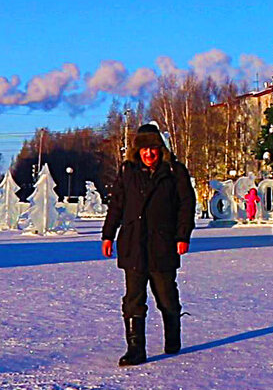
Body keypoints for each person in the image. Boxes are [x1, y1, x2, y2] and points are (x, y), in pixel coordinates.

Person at [102, 123, 197, 367]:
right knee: (133, 299)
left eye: (153, 148)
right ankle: (135, 349)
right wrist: (107, 235)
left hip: (162, 244)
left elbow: (187, 204)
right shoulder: (128, 171)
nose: (148, 153)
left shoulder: (175, 171)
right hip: (133, 243)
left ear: (160, 149)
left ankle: (173, 334)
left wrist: (182, 236)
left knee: (166, 297)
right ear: (137, 151)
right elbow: (117, 205)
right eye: (144, 149)